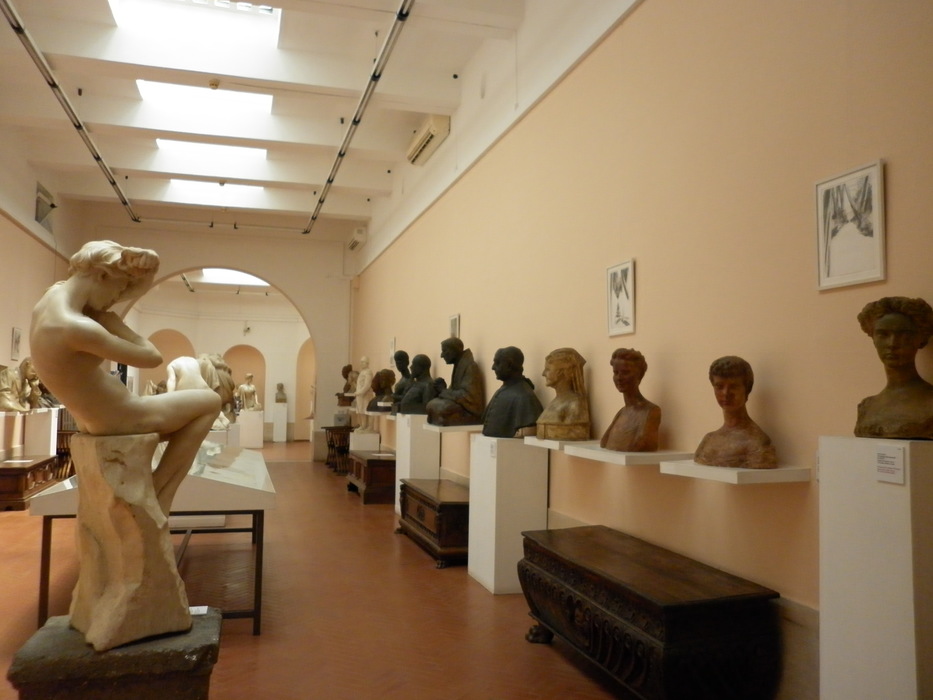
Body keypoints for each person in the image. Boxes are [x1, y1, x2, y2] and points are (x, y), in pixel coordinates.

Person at [29, 240, 221, 515]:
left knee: (189, 399)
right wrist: (118, 326)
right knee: (210, 401)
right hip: (120, 416)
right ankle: (161, 490)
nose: (117, 299)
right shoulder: (76, 327)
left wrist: (147, 270)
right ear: (102, 275)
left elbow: (107, 292)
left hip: (96, 417)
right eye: (120, 288)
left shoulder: (52, 298)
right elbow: (152, 357)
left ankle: (158, 487)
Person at [854, 296, 933, 438]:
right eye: (883, 334)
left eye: (904, 335)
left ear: (921, 339)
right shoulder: (868, 407)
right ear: (873, 339)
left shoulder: (929, 401)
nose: (892, 344)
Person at [694, 356, 776, 469]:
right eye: (719, 386)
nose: (726, 393)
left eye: (734, 386)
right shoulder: (708, 440)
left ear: (747, 389)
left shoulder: (756, 442)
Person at [600, 348, 660, 452]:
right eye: (616, 372)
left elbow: (639, 444)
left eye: (625, 372)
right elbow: (604, 442)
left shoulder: (651, 412)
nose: (619, 378)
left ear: (639, 375)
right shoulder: (622, 412)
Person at [481, 346, 543, 438]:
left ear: (509, 365)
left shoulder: (524, 396)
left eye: (497, 363)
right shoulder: (503, 390)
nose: (493, 367)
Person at [426, 337, 485, 426]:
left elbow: (469, 397)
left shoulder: (470, 366)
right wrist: (443, 388)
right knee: (431, 404)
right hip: (459, 403)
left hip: (469, 409)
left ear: (455, 350)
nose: (442, 355)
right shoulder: (459, 365)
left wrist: (444, 390)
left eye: (445, 351)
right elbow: (455, 390)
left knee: (443, 408)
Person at [536, 347, 590, 441]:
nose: (543, 374)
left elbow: (577, 432)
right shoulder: (554, 402)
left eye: (548, 369)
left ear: (563, 372)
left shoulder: (575, 404)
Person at [346, 356, 375, 431]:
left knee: (367, 410)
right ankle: (363, 425)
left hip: (366, 395)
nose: (361, 363)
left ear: (367, 363)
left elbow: (367, 385)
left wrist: (360, 392)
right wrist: (358, 392)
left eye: (363, 362)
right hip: (360, 395)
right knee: (361, 410)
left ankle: (369, 427)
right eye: (361, 362)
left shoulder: (368, 372)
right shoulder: (362, 372)